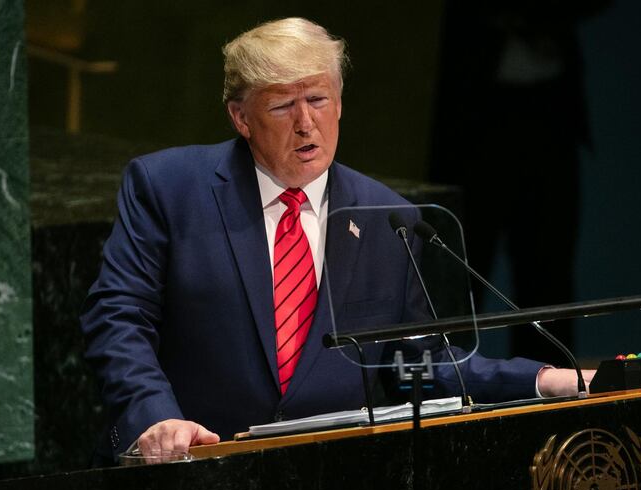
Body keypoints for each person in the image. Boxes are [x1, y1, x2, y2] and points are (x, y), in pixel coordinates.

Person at [81, 17, 591, 465]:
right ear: (241, 117)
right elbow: (118, 315)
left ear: (340, 103)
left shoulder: (390, 217)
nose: (307, 124)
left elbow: (419, 363)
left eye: (318, 100)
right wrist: (156, 418)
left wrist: (547, 380)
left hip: (335, 478)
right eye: (282, 106)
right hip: (193, 467)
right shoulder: (168, 187)